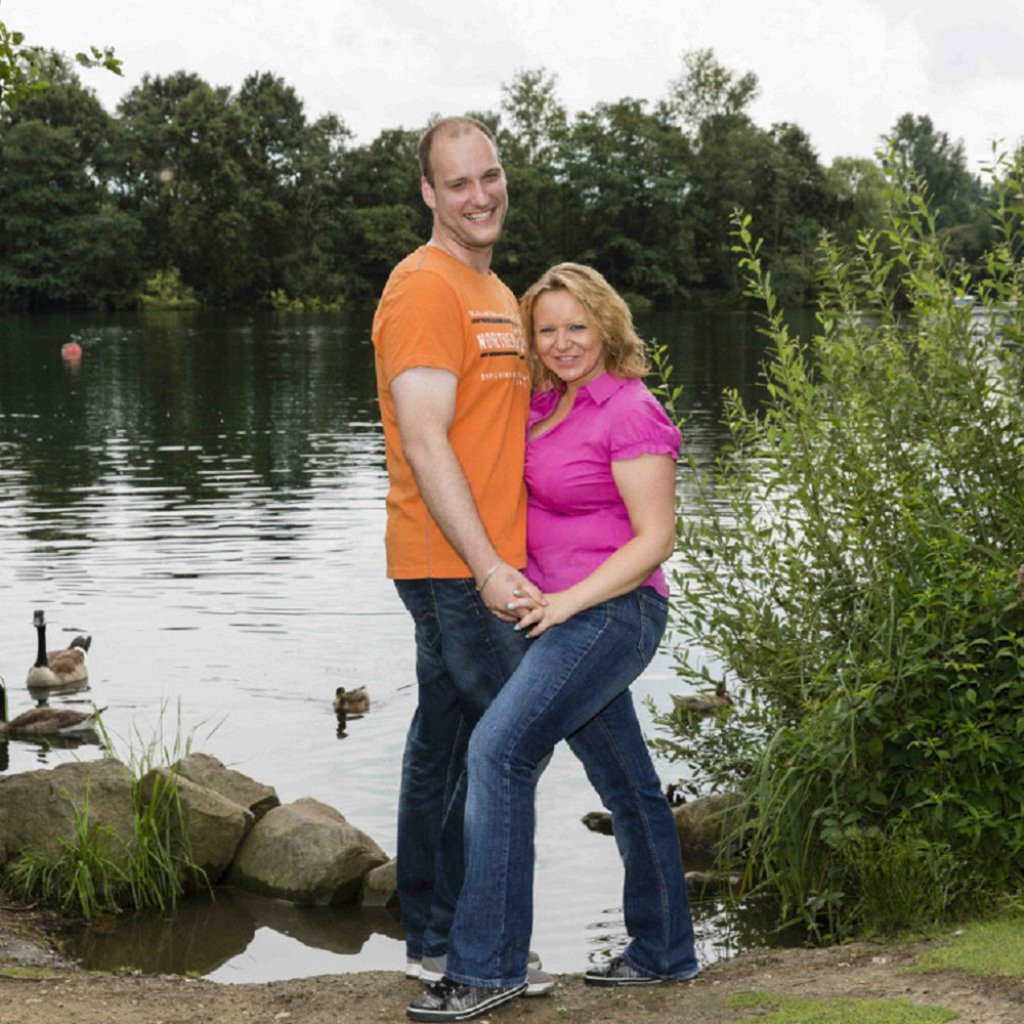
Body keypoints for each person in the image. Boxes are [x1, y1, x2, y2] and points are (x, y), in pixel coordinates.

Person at [408, 263, 699, 1022]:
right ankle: (664, 950)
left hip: (613, 613)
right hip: (558, 617)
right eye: (548, 330)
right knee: (629, 784)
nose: (564, 342)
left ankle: (486, 968)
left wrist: (567, 600)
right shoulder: (543, 405)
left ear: (607, 325)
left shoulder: (631, 409)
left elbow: (657, 538)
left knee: (498, 751)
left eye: (578, 326)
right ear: (531, 339)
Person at [371, 116, 548, 986]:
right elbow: (427, 439)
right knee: (510, 742)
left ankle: (436, 938)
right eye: (460, 183)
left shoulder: (497, 291)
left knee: (448, 740)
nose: (481, 196)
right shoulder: (423, 289)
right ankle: (479, 947)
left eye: (491, 176)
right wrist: (484, 567)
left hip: (489, 561)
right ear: (430, 194)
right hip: (452, 562)